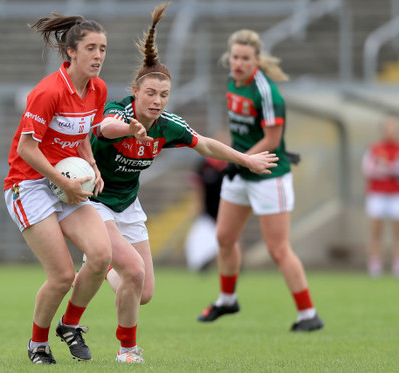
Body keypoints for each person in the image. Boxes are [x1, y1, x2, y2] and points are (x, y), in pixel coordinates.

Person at [79, 3, 278, 363]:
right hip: (95, 202)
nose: (157, 101)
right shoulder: (118, 111)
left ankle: (104, 264)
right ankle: (127, 350)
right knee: (134, 272)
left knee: (143, 292)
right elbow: (105, 128)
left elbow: (204, 144)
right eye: (151, 94)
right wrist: (130, 128)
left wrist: (247, 158)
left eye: (164, 95)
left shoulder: (168, 125)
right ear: (136, 92)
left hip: (128, 205)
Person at [3, 13, 118, 365]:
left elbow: (81, 135)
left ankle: (70, 325)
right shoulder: (48, 91)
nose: (98, 56)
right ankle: (38, 344)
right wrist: (63, 182)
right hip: (29, 185)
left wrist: (93, 167)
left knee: (101, 256)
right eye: (90, 49)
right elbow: (26, 149)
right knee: (62, 275)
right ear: (71, 52)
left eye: (103, 49)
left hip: (65, 181)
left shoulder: (98, 89)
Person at [196, 29, 324, 332]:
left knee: (277, 248)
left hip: (268, 176)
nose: (238, 63)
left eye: (245, 58)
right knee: (224, 237)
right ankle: (227, 300)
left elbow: (271, 138)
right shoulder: (232, 82)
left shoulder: (266, 92)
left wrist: (242, 161)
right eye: (235, 57)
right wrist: (238, 160)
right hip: (242, 170)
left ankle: (309, 314)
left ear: (256, 60)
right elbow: (245, 131)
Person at [361, 115, 399, 278]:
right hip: (377, 193)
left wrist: (386, 169)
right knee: (376, 230)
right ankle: (374, 265)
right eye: (387, 127)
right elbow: (368, 170)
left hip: (395, 194)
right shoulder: (374, 148)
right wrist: (387, 170)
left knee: (397, 231)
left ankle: (396, 264)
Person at [184, 154, 227, 272]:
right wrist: (197, 203)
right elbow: (196, 185)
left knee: (228, 237)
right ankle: (203, 262)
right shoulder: (203, 164)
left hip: (225, 208)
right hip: (208, 209)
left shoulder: (228, 163)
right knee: (205, 236)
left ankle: (233, 265)